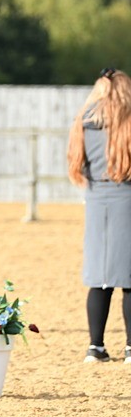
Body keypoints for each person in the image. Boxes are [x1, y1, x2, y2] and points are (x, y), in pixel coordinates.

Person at [67, 67, 131, 363]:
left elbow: (77, 163)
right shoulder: (127, 120)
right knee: (128, 277)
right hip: (126, 196)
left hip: (95, 198)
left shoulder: (84, 121)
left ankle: (96, 346)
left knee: (100, 277)